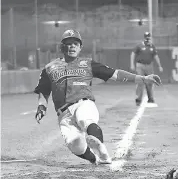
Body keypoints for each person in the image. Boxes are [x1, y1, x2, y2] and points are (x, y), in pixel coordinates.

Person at [34, 29, 161, 165]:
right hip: (64, 115)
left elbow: (116, 74)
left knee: (85, 119)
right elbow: (44, 91)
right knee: (75, 145)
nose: (72, 46)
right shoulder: (50, 68)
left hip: (83, 103)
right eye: (68, 43)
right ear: (61, 47)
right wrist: (41, 107)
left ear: (80, 47)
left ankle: (102, 150)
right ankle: (96, 159)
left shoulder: (88, 63)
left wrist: (143, 78)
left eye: (75, 43)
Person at [133, 32, 163, 107]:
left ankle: (151, 98)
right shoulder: (139, 45)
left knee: (150, 82)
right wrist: (132, 64)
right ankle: (138, 99)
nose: (147, 39)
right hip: (140, 65)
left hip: (149, 66)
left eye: (148, 37)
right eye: (146, 37)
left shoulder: (152, 46)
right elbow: (133, 54)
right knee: (140, 82)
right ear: (144, 38)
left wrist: (160, 66)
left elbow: (156, 56)